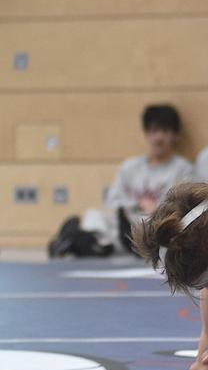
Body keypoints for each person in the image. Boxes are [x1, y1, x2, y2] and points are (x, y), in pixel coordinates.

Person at [48, 104, 194, 257]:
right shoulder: (129, 167)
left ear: (175, 135)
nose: (158, 137)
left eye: (164, 131)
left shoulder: (183, 169)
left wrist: (156, 209)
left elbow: (184, 208)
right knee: (94, 215)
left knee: (153, 227)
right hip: (125, 221)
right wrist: (137, 204)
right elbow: (112, 201)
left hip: (154, 223)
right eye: (153, 131)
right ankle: (82, 242)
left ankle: (76, 241)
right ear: (146, 134)